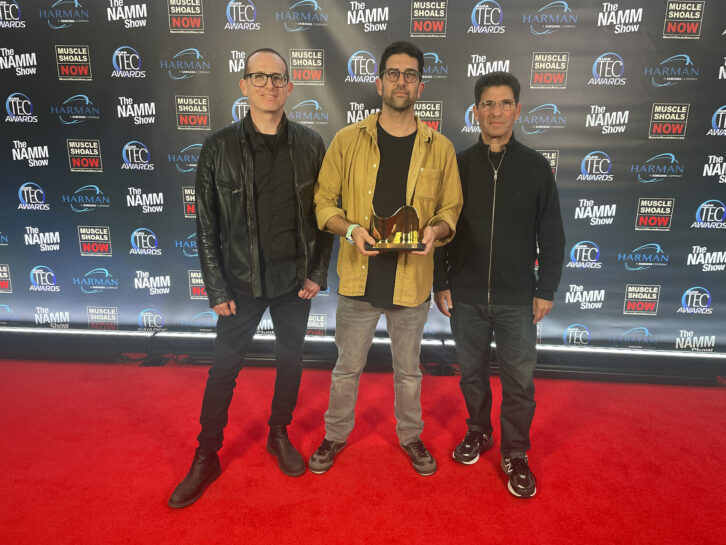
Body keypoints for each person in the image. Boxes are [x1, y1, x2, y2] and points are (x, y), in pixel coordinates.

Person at [168, 48, 333, 508]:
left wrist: (317, 272)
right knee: (223, 370)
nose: (268, 85)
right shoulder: (217, 147)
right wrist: (216, 287)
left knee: (291, 362)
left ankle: (278, 432)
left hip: (294, 283)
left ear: (289, 87)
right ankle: (206, 454)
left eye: (277, 78)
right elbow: (206, 225)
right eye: (259, 77)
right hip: (240, 283)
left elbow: (326, 215)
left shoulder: (311, 145)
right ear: (244, 85)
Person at [310, 41, 462, 476]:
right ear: (379, 83)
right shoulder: (347, 140)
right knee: (345, 369)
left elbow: (450, 210)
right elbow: (323, 202)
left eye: (410, 75)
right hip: (359, 279)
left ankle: (411, 437)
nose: (401, 82)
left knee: (409, 372)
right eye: (393, 73)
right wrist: (350, 230)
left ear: (420, 86)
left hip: (411, 284)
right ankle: (335, 435)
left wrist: (435, 231)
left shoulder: (441, 148)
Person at [433, 72, 565, 498]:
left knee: (519, 383)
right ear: (476, 111)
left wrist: (545, 288)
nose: (496, 111)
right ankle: (478, 430)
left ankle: (516, 452)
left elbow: (552, 234)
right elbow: (440, 228)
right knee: (471, 375)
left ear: (517, 110)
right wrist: (441, 281)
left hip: (517, 298)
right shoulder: (458, 165)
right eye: (488, 104)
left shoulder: (535, 167)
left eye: (505, 103)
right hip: (465, 295)